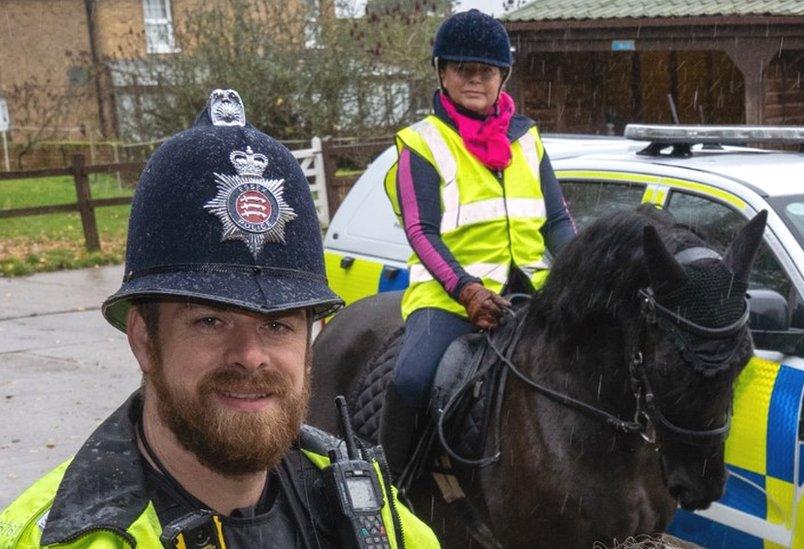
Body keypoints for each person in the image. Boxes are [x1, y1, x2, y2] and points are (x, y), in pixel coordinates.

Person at [0, 90, 439, 548]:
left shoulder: (377, 520)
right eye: (211, 321)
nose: (251, 357)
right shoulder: (59, 540)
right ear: (144, 339)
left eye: (278, 324)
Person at [380, 9, 576, 478]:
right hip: (448, 297)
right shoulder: (421, 144)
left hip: (532, 290)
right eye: (463, 70)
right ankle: (392, 486)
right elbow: (420, 232)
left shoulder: (527, 139)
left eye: (485, 71)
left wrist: (586, 271)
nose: (475, 80)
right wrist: (466, 290)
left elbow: (558, 221)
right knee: (410, 381)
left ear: (502, 77)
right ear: (442, 74)